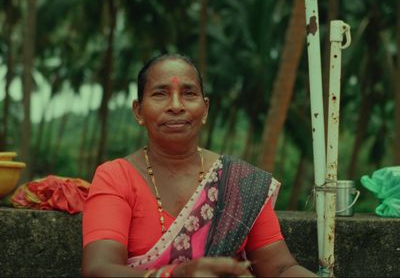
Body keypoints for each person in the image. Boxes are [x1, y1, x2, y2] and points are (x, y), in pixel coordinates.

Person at [81, 53, 316, 277]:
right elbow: (99, 270)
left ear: (205, 109)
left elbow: (280, 269)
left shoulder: (240, 182)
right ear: (138, 111)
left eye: (189, 94)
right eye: (160, 94)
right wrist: (178, 274)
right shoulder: (116, 177)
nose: (176, 105)